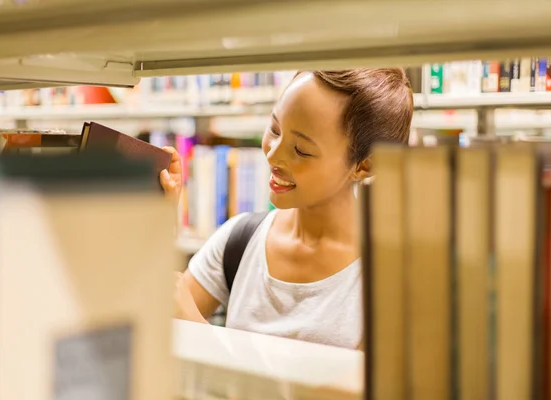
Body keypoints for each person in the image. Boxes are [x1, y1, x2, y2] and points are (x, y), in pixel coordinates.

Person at [160, 69, 413, 349]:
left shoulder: (392, 275)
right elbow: (156, 326)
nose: (273, 154)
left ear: (365, 165)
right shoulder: (239, 239)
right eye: (275, 129)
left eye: (301, 150)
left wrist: (196, 328)